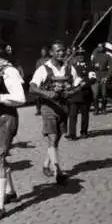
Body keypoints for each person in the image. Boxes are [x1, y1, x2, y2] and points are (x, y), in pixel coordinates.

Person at [30, 40, 84, 185]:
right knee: (52, 138)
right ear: (51, 53)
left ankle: (46, 165)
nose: (61, 53)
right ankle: (58, 172)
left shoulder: (69, 68)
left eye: (63, 50)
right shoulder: (43, 69)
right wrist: (48, 94)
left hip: (63, 107)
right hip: (48, 107)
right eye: (58, 51)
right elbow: (32, 88)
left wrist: (70, 92)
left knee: (57, 139)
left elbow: (79, 84)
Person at [0, 42, 26, 220]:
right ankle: (11, 191)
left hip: (7, 119)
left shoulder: (10, 71)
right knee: (0, 156)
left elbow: (21, 98)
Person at [66, 47, 94, 140]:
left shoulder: (89, 65)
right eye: (79, 54)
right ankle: (72, 134)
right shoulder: (71, 66)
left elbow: (93, 79)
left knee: (85, 114)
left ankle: (84, 132)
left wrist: (84, 83)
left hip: (85, 93)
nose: (80, 56)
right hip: (74, 94)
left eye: (82, 54)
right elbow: (68, 78)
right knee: (72, 115)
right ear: (76, 56)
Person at [90, 43, 112, 115]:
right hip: (96, 77)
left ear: (104, 48)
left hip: (104, 76)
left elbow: (110, 68)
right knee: (95, 94)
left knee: (104, 94)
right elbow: (91, 66)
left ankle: (103, 109)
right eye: (98, 47)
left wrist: (107, 77)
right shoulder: (95, 56)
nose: (100, 48)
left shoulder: (107, 56)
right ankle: (96, 109)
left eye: (101, 47)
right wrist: (93, 73)